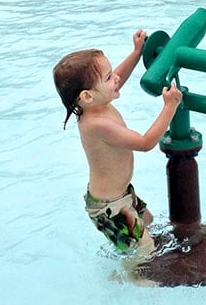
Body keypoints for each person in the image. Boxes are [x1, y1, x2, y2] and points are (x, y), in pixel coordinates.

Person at [53, 32, 183, 253]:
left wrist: (136, 52)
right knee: (145, 250)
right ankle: (133, 278)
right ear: (87, 96)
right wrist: (169, 107)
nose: (116, 79)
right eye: (108, 77)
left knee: (149, 225)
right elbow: (145, 143)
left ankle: (134, 257)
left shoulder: (96, 102)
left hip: (122, 193)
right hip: (109, 207)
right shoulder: (96, 123)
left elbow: (118, 79)